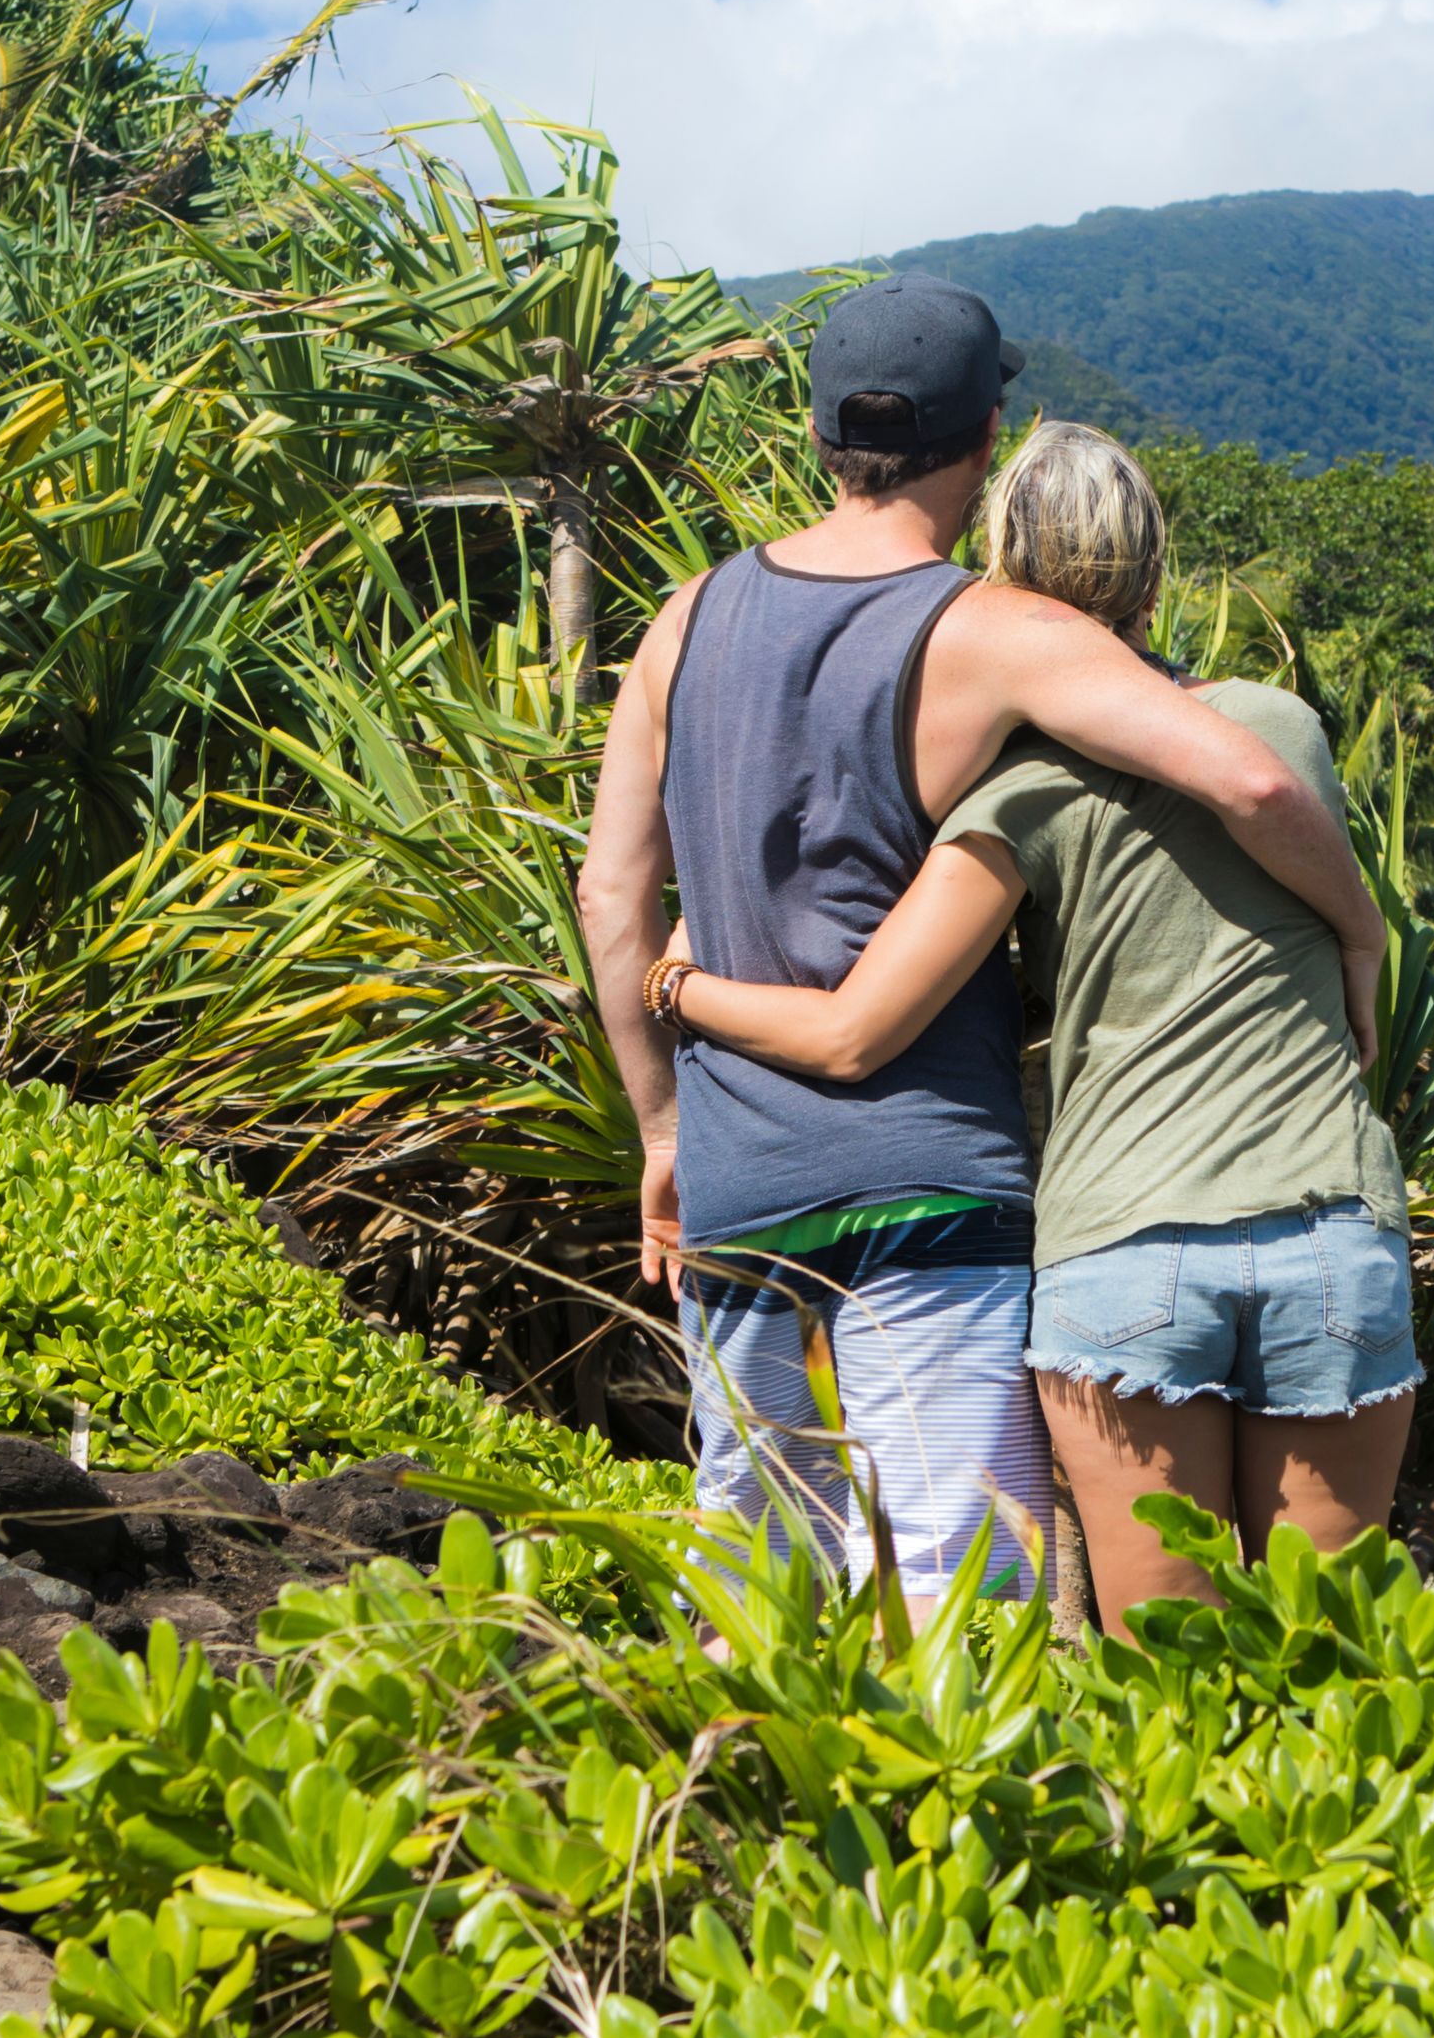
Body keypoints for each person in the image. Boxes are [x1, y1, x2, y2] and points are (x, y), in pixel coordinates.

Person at [575, 285, 1389, 1612]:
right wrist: (1358, 927)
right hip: (928, 1187)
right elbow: (1248, 785)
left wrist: (663, 1133)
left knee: (758, 1590)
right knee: (961, 1592)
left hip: (734, 1184)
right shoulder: (995, 633)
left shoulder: (688, 618)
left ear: (822, 433)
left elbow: (613, 896)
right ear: (989, 430)